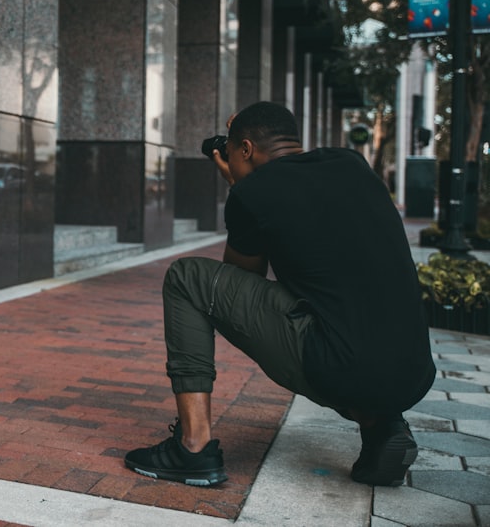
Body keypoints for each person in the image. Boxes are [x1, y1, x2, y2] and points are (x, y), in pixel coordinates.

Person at [124, 101, 435, 488]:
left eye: (233, 154)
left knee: (187, 277)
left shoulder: (253, 191)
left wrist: (242, 191)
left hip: (340, 365)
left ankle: (193, 446)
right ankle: (382, 427)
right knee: (347, 320)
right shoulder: (353, 164)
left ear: (246, 150)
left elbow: (234, 284)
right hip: (415, 373)